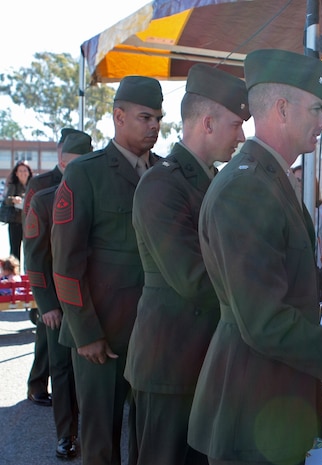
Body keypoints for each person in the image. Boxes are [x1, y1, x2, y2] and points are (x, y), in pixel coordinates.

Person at [187, 49, 322, 465]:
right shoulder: (249, 188)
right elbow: (267, 322)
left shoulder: (267, 179)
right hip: (254, 406)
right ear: (282, 110)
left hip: (270, 396)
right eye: (317, 109)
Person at [125, 64, 249, 465]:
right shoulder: (162, 184)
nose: (242, 136)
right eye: (236, 124)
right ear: (208, 123)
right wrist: (260, 296)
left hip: (201, 362)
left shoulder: (211, 182)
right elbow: (193, 278)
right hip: (169, 366)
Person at [51, 75, 163, 465]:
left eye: (158, 119)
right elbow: (66, 264)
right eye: (145, 117)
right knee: (101, 440)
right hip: (101, 337)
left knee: (152, 440)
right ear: (118, 116)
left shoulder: (166, 174)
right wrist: (86, 334)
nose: (154, 127)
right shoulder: (86, 173)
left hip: (155, 333)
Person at [23, 131, 93, 460]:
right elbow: (35, 257)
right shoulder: (44, 197)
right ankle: (66, 434)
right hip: (59, 304)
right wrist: (46, 304)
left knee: (92, 370)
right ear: (63, 161)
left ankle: (93, 430)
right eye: (76, 162)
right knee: (62, 370)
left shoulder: (96, 194)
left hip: (93, 300)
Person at [24, 128, 82, 409]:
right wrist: (44, 299)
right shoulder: (41, 187)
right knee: (47, 339)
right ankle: (37, 384)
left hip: (74, 283)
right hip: (51, 281)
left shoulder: (88, 183)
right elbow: (33, 247)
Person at [291, 165, 322, 263]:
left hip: (318, 266)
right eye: (297, 180)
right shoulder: (290, 208)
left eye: (304, 181)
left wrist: (305, 202)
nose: (300, 185)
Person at [4, 160, 33, 260]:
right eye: (20, 171)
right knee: (15, 250)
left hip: (30, 222)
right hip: (15, 222)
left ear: (29, 172)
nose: (23, 173)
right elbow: (6, 200)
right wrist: (14, 199)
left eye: (25, 170)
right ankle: (14, 273)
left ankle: (28, 273)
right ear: (16, 173)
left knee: (30, 250)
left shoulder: (34, 184)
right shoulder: (12, 185)